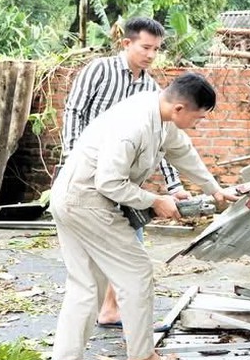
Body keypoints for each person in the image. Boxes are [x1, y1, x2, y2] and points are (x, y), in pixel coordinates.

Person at [46, 73, 238, 360]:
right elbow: (108, 182)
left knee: (86, 284)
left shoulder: (160, 115)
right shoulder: (133, 126)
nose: (200, 124)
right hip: (87, 201)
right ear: (179, 108)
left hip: (73, 198)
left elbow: (183, 153)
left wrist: (215, 190)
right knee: (135, 273)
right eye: (199, 118)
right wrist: (155, 201)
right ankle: (142, 359)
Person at [62, 17, 186, 328]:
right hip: (89, 175)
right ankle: (94, 320)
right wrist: (73, 160)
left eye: (156, 49)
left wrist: (175, 185)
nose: (151, 55)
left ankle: (113, 310)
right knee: (92, 259)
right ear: (126, 43)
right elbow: (74, 111)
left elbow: (164, 138)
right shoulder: (99, 71)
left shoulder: (149, 86)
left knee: (133, 242)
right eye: (145, 47)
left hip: (123, 179)